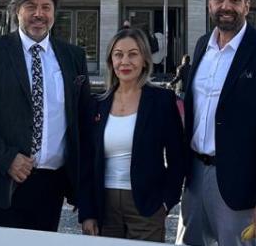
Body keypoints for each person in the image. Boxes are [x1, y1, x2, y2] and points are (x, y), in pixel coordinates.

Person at [0, 0, 92, 231]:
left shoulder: (73, 56)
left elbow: (82, 121)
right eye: (30, 6)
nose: (39, 14)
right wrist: (7, 158)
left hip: (49, 188)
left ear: (54, 13)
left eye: (46, 7)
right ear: (16, 10)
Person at [177, 0, 256, 246]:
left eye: (234, 0)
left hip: (238, 182)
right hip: (194, 176)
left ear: (247, 6)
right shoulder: (202, 45)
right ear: (209, 4)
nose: (226, 6)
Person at [78, 28, 184, 242]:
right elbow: (86, 161)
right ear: (111, 61)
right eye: (118, 54)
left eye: (133, 54)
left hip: (147, 206)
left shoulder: (162, 101)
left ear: (144, 60)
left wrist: (166, 202)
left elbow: (178, 157)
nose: (125, 61)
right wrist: (87, 212)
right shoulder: (97, 104)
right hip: (104, 207)